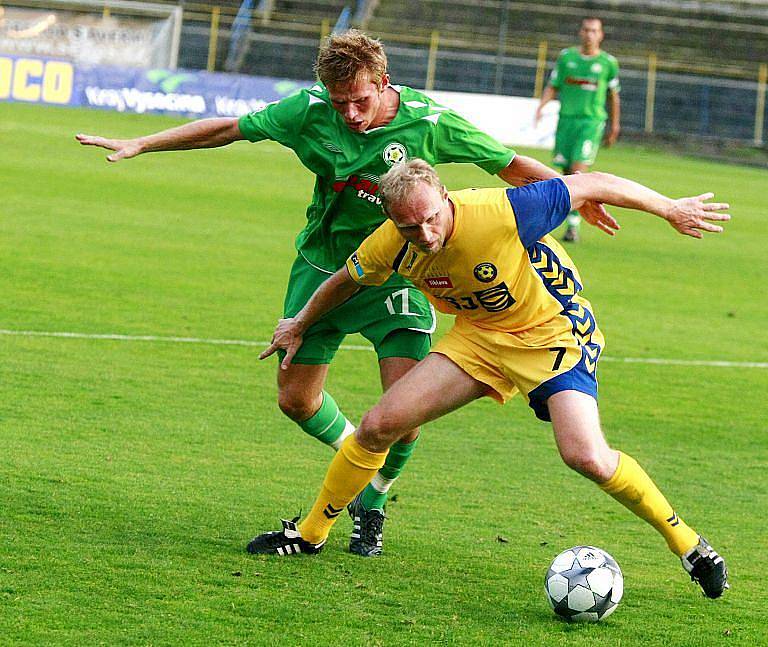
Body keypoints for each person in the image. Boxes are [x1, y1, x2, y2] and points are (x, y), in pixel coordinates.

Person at [77, 30, 618, 558]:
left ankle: (375, 502)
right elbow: (230, 129)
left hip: (401, 276)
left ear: (384, 82)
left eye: (360, 101)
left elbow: (507, 164)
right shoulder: (310, 110)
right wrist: (145, 142)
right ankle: (357, 466)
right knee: (296, 400)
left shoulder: (429, 122)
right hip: (323, 269)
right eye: (341, 104)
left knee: (403, 412)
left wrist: (576, 197)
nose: (351, 115)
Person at [250, 159, 730, 600]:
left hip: (549, 334)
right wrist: (299, 324)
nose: (424, 233)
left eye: (431, 218)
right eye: (409, 226)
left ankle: (690, 546)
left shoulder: (501, 211)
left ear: (445, 196)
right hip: (478, 338)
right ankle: (310, 533)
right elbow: (345, 279)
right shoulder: (392, 242)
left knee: (586, 456)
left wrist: (670, 208)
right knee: (379, 425)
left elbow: (595, 183)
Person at [535, 16, 621, 243]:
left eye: (594, 30)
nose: (590, 34)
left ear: (601, 35)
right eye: (586, 30)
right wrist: (541, 107)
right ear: (580, 32)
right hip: (566, 121)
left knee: (577, 173)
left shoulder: (607, 63)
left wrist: (614, 124)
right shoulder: (567, 58)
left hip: (590, 123)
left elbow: (613, 96)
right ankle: (569, 219)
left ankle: (573, 226)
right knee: (564, 174)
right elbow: (553, 86)